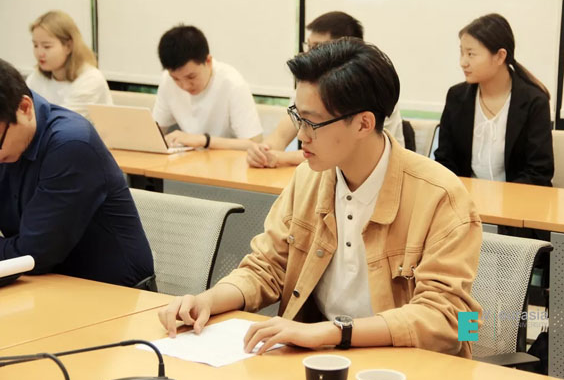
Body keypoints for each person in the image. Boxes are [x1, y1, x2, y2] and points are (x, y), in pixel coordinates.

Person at [158, 38, 482, 358]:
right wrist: (208, 300)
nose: (301, 135)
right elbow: (266, 267)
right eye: (298, 118)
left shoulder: (440, 196)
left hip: (404, 366)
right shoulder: (309, 178)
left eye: (312, 122)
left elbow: (449, 320)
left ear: (363, 123)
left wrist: (332, 332)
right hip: (319, 359)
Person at [0, 58, 154, 288]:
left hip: (114, 293)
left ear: (24, 108)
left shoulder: (71, 145)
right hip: (44, 284)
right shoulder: (10, 138)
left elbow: (33, 254)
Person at [246, 11, 408, 168]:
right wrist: (262, 151)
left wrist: (280, 158)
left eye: (317, 47)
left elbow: (342, 153)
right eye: (308, 45)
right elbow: (280, 136)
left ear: (345, 50)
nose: (309, 53)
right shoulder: (310, 88)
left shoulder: (370, 92)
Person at [434, 13, 553, 186]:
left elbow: (539, 171)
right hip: (466, 198)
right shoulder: (456, 97)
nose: (463, 62)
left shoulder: (534, 102)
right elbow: (444, 161)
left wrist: (502, 198)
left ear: (500, 56)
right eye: (462, 53)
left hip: (518, 198)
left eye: (471, 54)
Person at [153, 25, 262, 150]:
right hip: (188, 159)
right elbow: (155, 131)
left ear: (208, 61)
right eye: (176, 79)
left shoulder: (232, 83)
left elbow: (255, 144)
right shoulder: (167, 80)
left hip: (227, 159)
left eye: (191, 77)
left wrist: (204, 141)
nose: (185, 86)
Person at [26, 10, 112, 119]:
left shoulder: (91, 78)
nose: (39, 53)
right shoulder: (36, 77)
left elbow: (61, 121)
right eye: (35, 45)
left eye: (47, 46)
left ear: (68, 46)